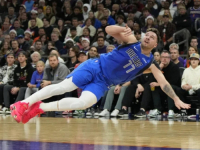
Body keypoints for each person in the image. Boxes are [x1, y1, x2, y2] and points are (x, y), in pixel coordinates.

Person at [10, 25, 190, 124]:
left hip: (104, 82)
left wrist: (175, 99)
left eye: (152, 37)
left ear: (155, 44)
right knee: (64, 87)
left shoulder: (150, 63)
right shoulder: (132, 41)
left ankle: (39, 109)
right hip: (95, 66)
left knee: (83, 103)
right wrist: (120, 28)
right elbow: (109, 30)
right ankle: (23, 103)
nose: (148, 37)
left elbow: (164, 82)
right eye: (147, 34)